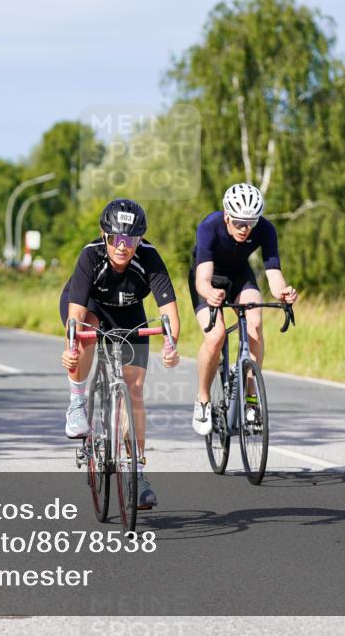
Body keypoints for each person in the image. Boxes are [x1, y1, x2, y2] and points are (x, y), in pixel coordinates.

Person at [60, 199, 180, 510]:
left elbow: (169, 313)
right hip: (91, 307)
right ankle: (76, 402)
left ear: (140, 239)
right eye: (115, 239)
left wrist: (171, 346)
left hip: (129, 313)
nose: (122, 247)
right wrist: (71, 350)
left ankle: (137, 473)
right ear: (104, 236)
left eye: (130, 240)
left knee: (135, 390)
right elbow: (75, 316)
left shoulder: (150, 258)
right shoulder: (91, 255)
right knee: (87, 332)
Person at [189, 183, 298, 435]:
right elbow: (201, 279)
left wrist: (282, 292)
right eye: (238, 222)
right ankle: (203, 398)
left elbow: (273, 273)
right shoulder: (209, 226)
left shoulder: (266, 229)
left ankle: (251, 399)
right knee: (215, 337)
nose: (244, 228)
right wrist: (210, 293)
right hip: (208, 278)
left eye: (250, 222)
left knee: (256, 325)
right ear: (227, 215)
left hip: (239, 276)